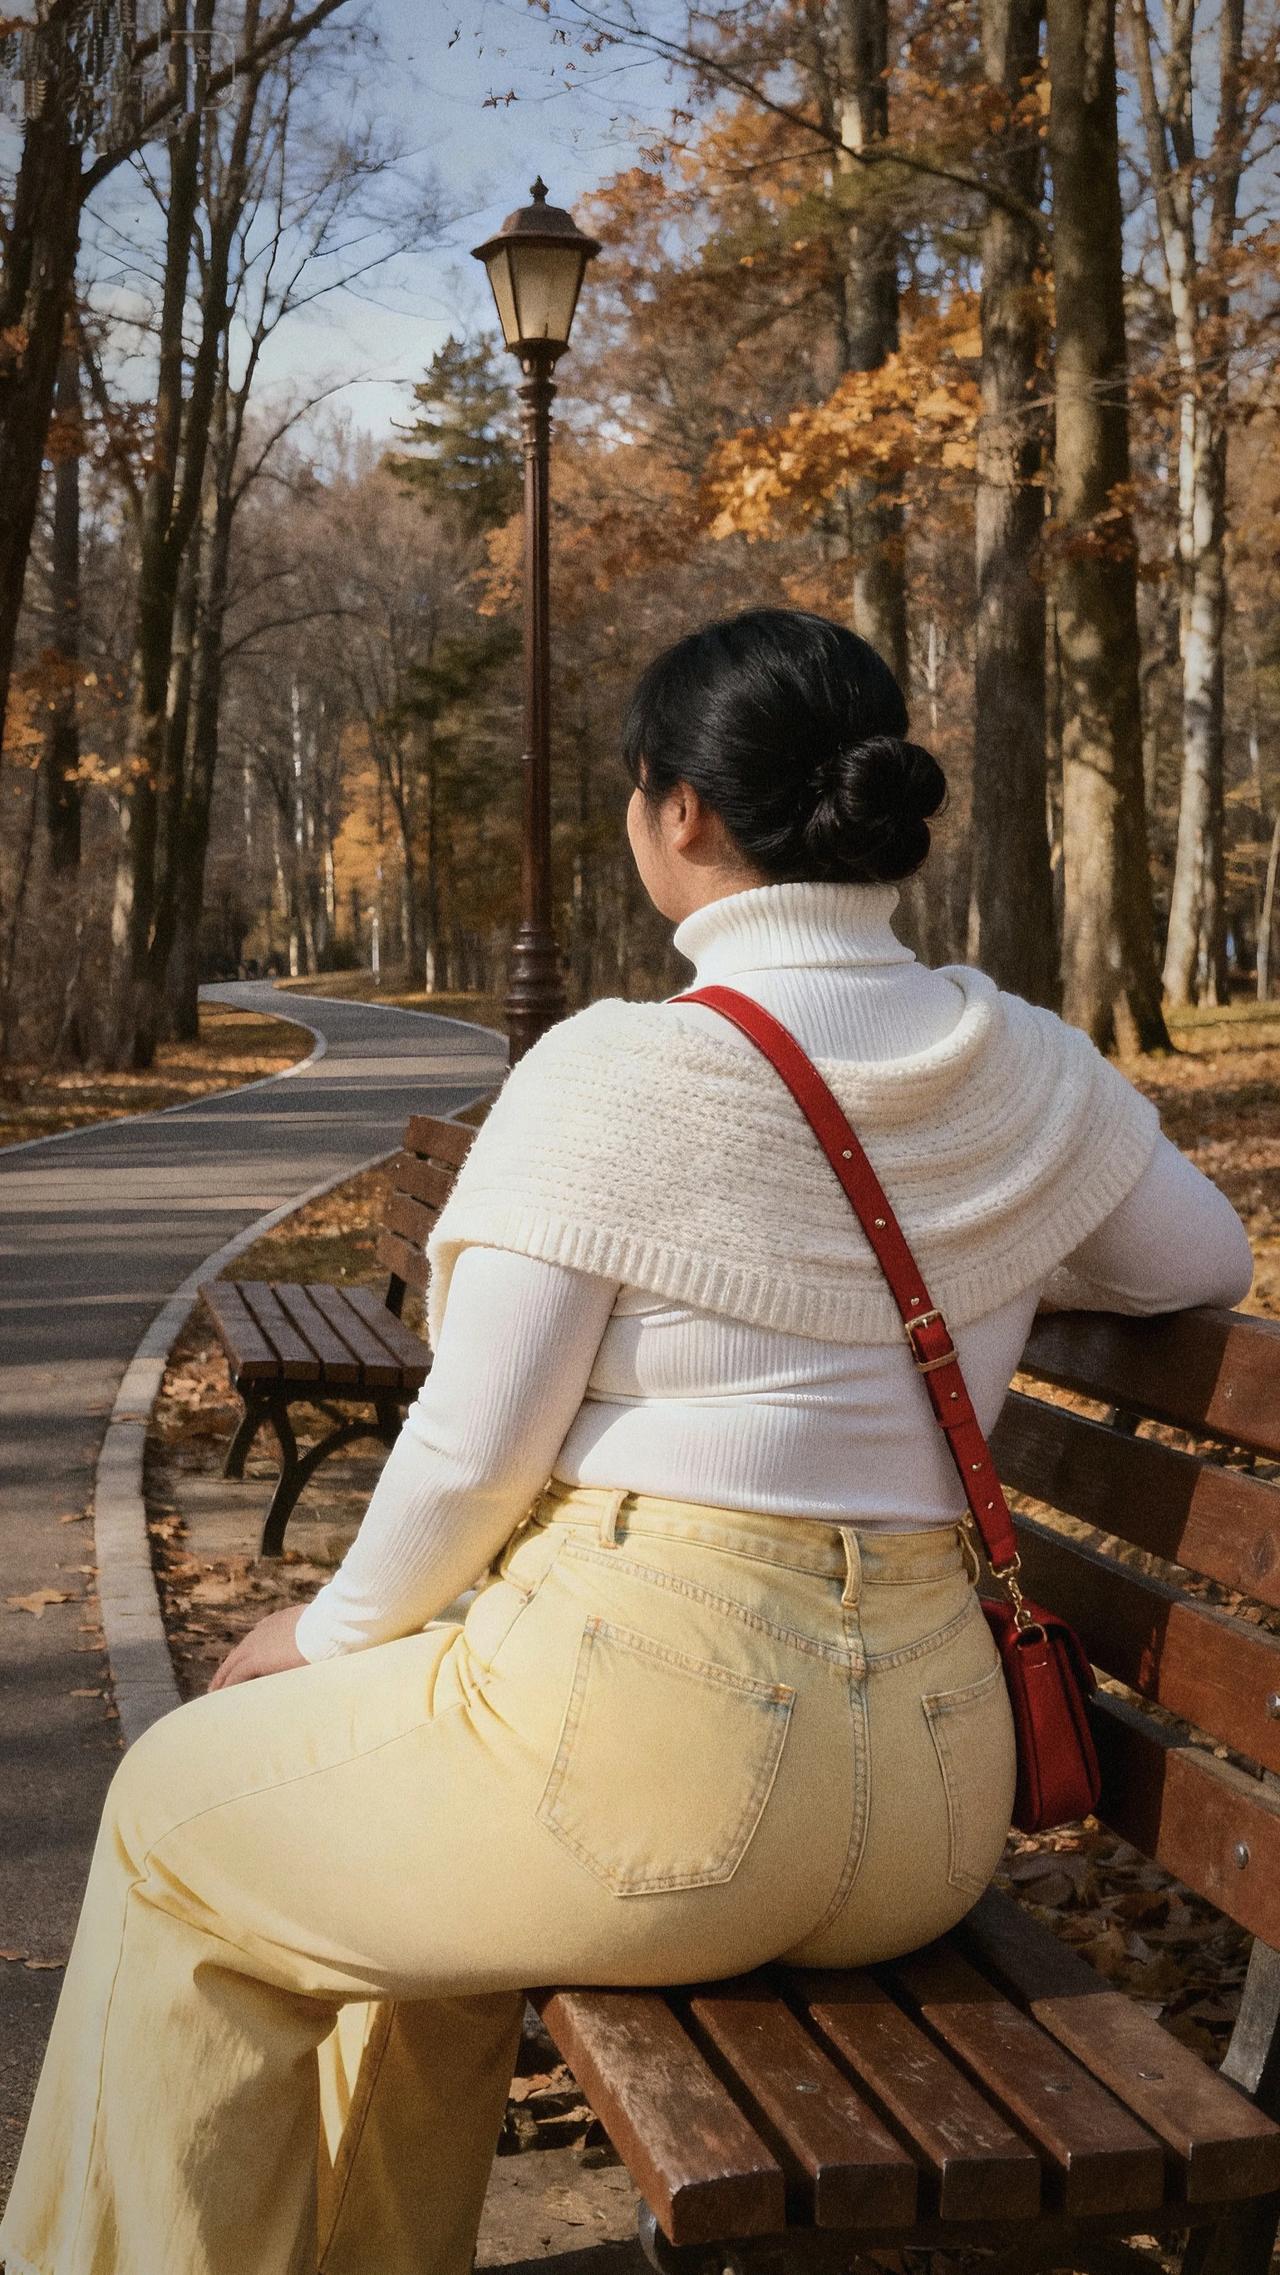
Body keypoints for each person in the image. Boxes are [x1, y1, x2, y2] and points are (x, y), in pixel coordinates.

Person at [1, 608, 1252, 2275]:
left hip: (657, 1763)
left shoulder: (622, 1067)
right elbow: (1200, 1263)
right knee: (399, 1872)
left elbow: (471, 1451)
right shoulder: (1023, 1059)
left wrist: (328, 1628)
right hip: (937, 1808)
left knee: (170, 1814)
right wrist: (990, 1219)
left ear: (679, 813)